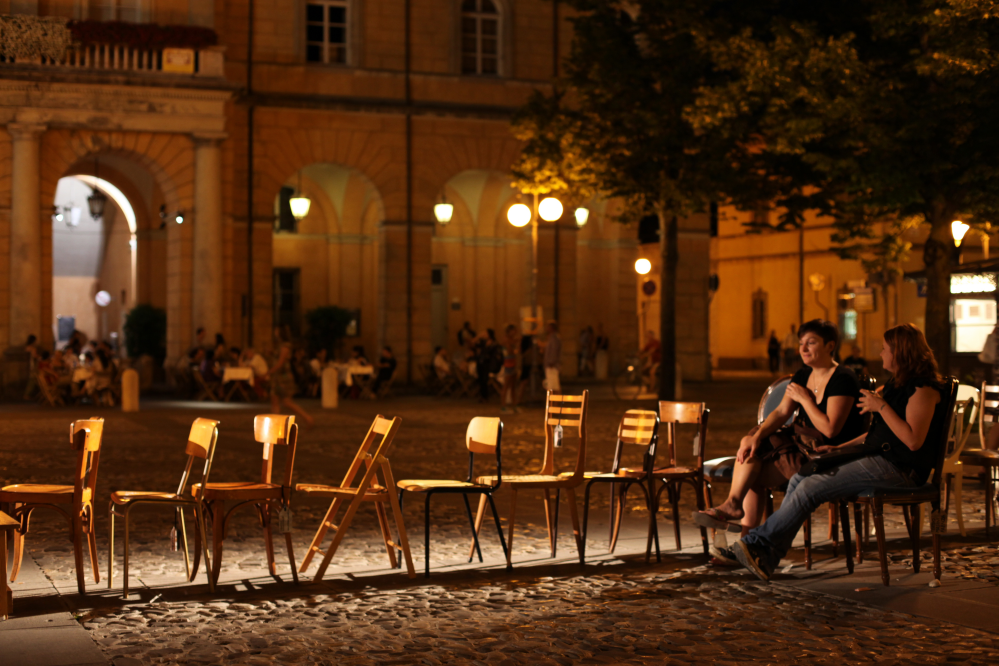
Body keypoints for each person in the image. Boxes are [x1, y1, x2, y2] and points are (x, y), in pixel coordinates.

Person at [727, 323, 948, 582]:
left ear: (901, 353)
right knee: (801, 477)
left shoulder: (923, 389)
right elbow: (880, 434)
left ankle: (758, 545)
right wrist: (840, 448)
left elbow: (912, 441)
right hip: (878, 458)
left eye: (885, 349)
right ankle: (765, 553)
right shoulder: (898, 385)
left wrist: (881, 407)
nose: (880, 354)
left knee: (812, 487)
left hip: (900, 469)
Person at [694, 319, 867, 554]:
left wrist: (806, 399)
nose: (803, 349)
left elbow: (830, 430)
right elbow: (781, 412)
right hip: (798, 441)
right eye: (801, 343)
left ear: (830, 346)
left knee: (753, 472)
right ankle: (739, 523)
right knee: (753, 446)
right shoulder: (803, 374)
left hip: (824, 451)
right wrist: (756, 436)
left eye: (811, 342)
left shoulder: (843, 378)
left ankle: (745, 543)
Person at [265, 327, 314, 427]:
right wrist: (271, 353)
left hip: (283, 378)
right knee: (274, 400)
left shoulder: (285, 346)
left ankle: (307, 417)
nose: (275, 332)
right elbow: (278, 357)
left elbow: (281, 362)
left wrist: (269, 372)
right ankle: (275, 424)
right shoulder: (280, 346)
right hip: (277, 377)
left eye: (277, 330)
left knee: (286, 402)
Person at [501, 324, 520, 412]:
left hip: (513, 364)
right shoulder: (506, 340)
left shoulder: (512, 340)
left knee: (513, 387)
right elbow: (510, 351)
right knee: (506, 386)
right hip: (508, 365)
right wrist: (516, 347)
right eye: (513, 330)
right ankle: (503, 406)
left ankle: (514, 405)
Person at [542, 320, 562, 392]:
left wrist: (551, 361)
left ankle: (556, 402)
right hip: (550, 365)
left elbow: (554, 350)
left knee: (554, 386)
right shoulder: (552, 337)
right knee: (551, 386)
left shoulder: (554, 338)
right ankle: (553, 402)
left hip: (552, 365)